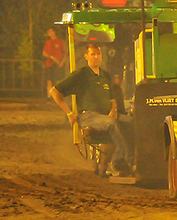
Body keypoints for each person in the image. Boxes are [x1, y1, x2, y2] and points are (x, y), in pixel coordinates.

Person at [50, 44, 134, 175]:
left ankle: (119, 159)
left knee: (132, 122)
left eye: (98, 54)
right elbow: (54, 92)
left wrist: (114, 109)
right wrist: (69, 113)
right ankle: (128, 161)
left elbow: (113, 99)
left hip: (105, 115)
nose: (96, 57)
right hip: (89, 116)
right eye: (93, 54)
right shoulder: (81, 74)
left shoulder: (105, 76)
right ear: (86, 56)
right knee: (111, 124)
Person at [42, 27, 66, 98]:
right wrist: (51, 57)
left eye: (50, 31)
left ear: (54, 32)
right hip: (49, 64)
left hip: (58, 64)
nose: (48, 33)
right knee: (49, 81)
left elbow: (65, 53)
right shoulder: (48, 42)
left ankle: (58, 97)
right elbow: (44, 53)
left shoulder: (60, 41)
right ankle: (49, 97)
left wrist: (62, 62)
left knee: (58, 81)